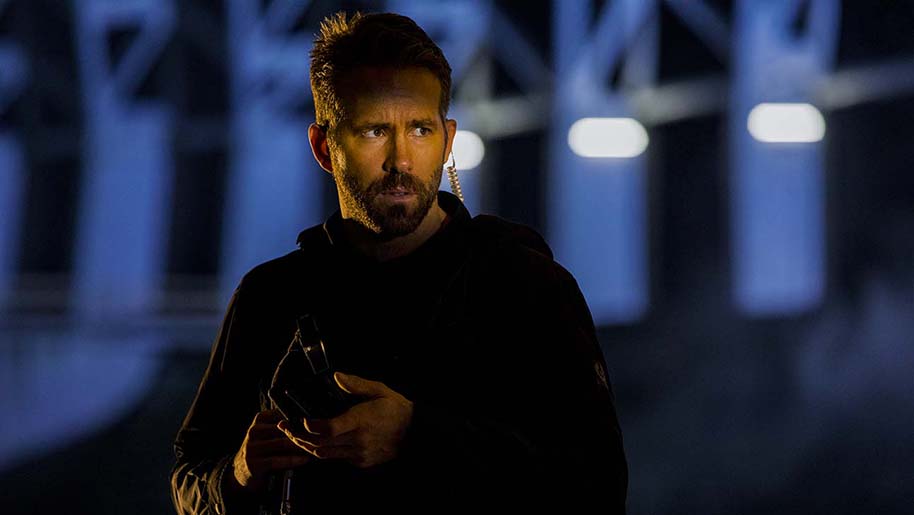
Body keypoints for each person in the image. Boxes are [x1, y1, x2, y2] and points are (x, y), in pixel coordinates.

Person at [171, 11, 627, 514]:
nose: (401, 159)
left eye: (420, 129)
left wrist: (416, 436)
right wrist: (239, 473)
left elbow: (597, 488)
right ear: (324, 147)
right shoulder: (272, 297)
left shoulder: (523, 287)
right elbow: (189, 478)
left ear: (447, 140)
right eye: (373, 131)